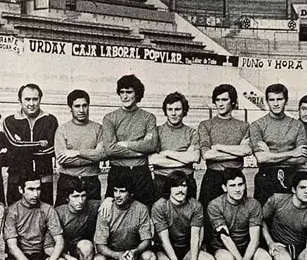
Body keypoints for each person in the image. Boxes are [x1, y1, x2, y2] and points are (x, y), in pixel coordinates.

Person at [3, 173, 75, 260]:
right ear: (21, 190)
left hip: (42, 257)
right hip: (22, 259)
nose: (35, 194)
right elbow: (13, 247)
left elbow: (59, 242)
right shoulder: (12, 211)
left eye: (38, 189)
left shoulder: (47, 209)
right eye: (30, 189)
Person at [207, 169, 272, 260]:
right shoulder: (215, 205)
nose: (237, 189)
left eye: (240, 184)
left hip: (247, 246)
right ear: (224, 188)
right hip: (224, 247)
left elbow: (255, 240)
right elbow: (225, 237)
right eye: (232, 185)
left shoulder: (253, 204)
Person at [151, 171, 215, 260]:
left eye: (183, 186)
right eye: (175, 186)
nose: (180, 190)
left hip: (186, 250)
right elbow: (164, 241)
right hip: (165, 250)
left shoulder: (195, 206)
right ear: (169, 188)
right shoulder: (159, 206)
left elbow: (195, 238)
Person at [93, 175, 157, 260]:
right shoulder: (106, 209)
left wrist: (134, 252)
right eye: (115, 191)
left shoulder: (141, 209)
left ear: (131, 193)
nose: (117, 195)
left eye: (122, 191)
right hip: (113, 257)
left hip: (133, 256)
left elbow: (147, 240)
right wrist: (117, 255)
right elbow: (100, 245)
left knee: (150, 258)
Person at [102, 75, 159, 207]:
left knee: (145, 210)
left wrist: (126, 144)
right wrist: (140, 151)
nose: (125, 96)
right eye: (122, 92)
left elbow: (151, 145)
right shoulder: (110, 118)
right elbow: (110, 149)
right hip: (118, 171)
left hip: (141, 172)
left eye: (129, 92)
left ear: (137, 93)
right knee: (115, 211)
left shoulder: (148, 117)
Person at [249, 83, 307, 205]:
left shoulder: (297, 125)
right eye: (272, 100)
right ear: (267, 101)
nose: (276, 104)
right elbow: (261, 158)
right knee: (264, 218)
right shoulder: (257, 125)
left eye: (279, 99)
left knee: (288, 220)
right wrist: (292, 153)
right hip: (266, 177)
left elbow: (301, 159)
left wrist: (270, 155)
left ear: (286, 100)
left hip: (290, 176)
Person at [197, 84, 251, 212]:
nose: (220, 104)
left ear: (232, 101)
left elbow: (247, 150)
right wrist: (237, 153)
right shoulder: (205, 125)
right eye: (217, 100)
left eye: (224, 100)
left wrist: (219, 147)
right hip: (213, 177)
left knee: (238, 218)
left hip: (236, 178)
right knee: (209, 220)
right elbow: (207, 155)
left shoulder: (244, 126)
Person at [3, 83, 58, 205]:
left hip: (44, 179)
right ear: (19, 100)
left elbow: (51, 149)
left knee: (44, 216)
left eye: (35, 99)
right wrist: (40, 144)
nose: (31, 103)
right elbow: (15, 145)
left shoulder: (50, 120)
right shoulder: (10, 121)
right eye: (27, 99)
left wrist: (22, 148)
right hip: (17, 179)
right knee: (16, 215)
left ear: (40, 100)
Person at [48, 176, 100, 260]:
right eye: (75, 197)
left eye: (83, 196)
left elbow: (108, 203)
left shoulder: (92, 206)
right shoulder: (58, 213)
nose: (80, 201)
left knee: (86, 246)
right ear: (67, 198)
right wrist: (71, 259)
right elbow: (48, 247)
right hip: (61, 253)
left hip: (79, 250)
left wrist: (109, 200)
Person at [55, 89, 105, 205]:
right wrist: (91, 156)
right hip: (67, 180)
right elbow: (63, 159)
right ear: (70, 108)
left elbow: (102, 155)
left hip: (91, 180)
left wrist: (77, 153)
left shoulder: (98, 128)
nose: (81, 110)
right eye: (77, 106)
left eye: (85, 105)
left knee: (91, 217)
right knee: (64, 218)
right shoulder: (62, 130)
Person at [149, 92, 200, 200]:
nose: (173, 113)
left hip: (185, 182)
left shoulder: (192, 132)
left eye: (177, 109)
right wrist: (184, 159)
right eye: (169, 109)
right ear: (165, 111)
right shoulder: (157, 132)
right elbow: (153, 159)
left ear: (184, 111)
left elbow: (194, 157)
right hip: (162, 182)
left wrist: (167, 153)